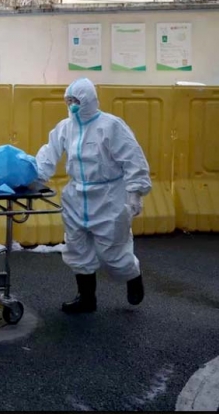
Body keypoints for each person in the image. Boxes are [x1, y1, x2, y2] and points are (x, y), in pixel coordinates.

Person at [35, 78, 151, 314]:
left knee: (112, 253)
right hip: (76, 196)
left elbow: (132, 158)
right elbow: (49, 152)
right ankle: (86, 299)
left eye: (76, 100)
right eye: (69, 100)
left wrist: (135, 193)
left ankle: (132, 275)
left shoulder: (111, 126)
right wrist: (37, 177)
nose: (72, 105)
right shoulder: (65, 127)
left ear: (88, 100)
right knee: (76, 248)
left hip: (108, 198)